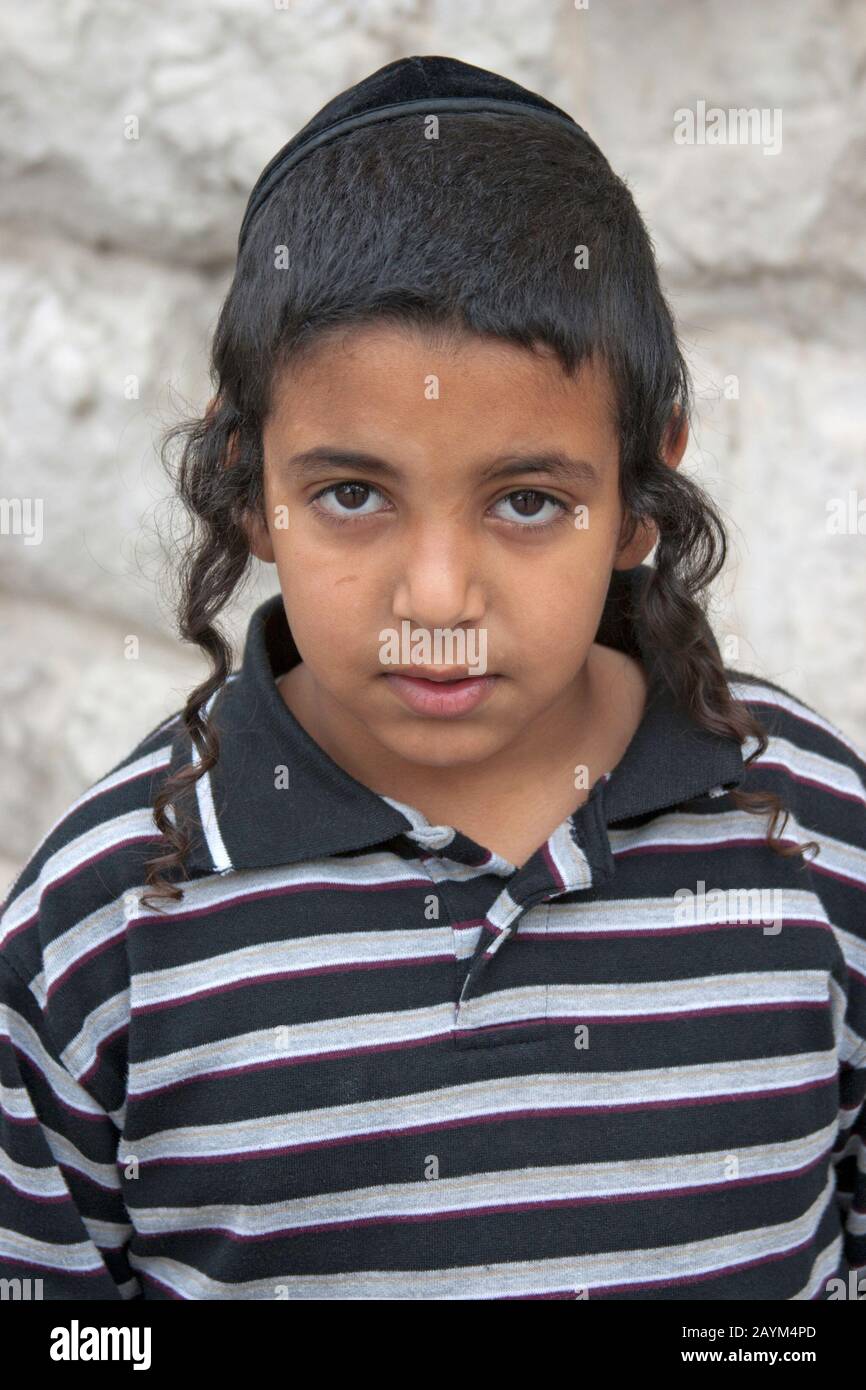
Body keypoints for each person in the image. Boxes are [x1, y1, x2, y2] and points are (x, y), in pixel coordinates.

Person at [1, 55, 864, 1302]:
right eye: (351, 495)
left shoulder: (810, 838)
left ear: (638, 485)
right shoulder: (101, 936)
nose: (439, 598)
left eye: (526, 501)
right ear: (250, 484)